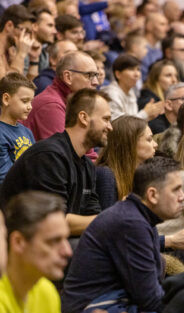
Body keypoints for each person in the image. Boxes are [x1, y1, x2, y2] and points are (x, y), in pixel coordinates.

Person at [62, 157, 184, 313]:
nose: (183, 196)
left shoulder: (139, 217)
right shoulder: (131, 223)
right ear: (152, 195)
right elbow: (150, 299)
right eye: (176, 189)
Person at [0, 89, 112, 237]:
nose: (110, 127)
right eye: (106, 119)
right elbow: (53, 221)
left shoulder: (87, 165)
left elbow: (92, 214)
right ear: (84, 118)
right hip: (22, 245)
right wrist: (112, 219)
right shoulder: (49, 156)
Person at [0, 191, 72, 312]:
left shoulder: (47, 292)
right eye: (54, 241)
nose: (68, 251)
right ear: (18, 242)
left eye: (65, 239)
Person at [23, 51, 99, 141]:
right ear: (68, 77)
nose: (96, 82)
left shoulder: (78, 101)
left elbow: (88, 150)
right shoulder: (51, 105)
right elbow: (60, 152)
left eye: (96, 75)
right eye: (89, 75)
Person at [95, 115, 157, 209]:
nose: (156, 144)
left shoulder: (141, 174)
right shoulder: (106, 175)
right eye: (149, 139)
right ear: (130, 144)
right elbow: (106, 220)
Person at [102, 54, 163, 122]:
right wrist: (145, 114)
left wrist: (149, 116)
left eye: (138, 69)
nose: (136, 74)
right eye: (131, 69)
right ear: (118, 74)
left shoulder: (131, 91)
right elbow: (118, 125)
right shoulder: (111, 93)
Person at [0, 73, 36, 184]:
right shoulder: (1, 133)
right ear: (6, 99)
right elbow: (4, 177)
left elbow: (35, 163)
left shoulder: (26, 131)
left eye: (31, 101)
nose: (30, 106)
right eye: (25, 101)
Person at [0, 5, 37, 79]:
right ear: (9, 26)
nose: (27, 37)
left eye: (29, 32)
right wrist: (21, 54)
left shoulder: (11, 51)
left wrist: (34, 59)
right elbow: (8, 87)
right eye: (24, 31)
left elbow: (24, 87)